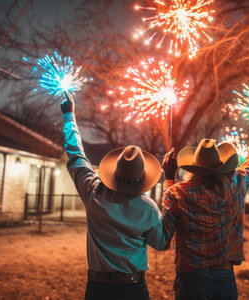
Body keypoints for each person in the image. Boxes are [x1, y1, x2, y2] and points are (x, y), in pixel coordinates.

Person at [60, 94, 166, 300]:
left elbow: (76, 154)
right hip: (132, 288)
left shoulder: (93, 192)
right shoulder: (149, 209)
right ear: (143, 178)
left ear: (115, 173)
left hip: (97, 287)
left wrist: (69, 116)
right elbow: (161, 243)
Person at [161, 117, 249, 300]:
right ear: (221, 166)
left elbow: (164, 236)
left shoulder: (177, 193)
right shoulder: (236, 183)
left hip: (191, 280)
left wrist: (169, 177)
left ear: (193, 167)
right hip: (224, 278)